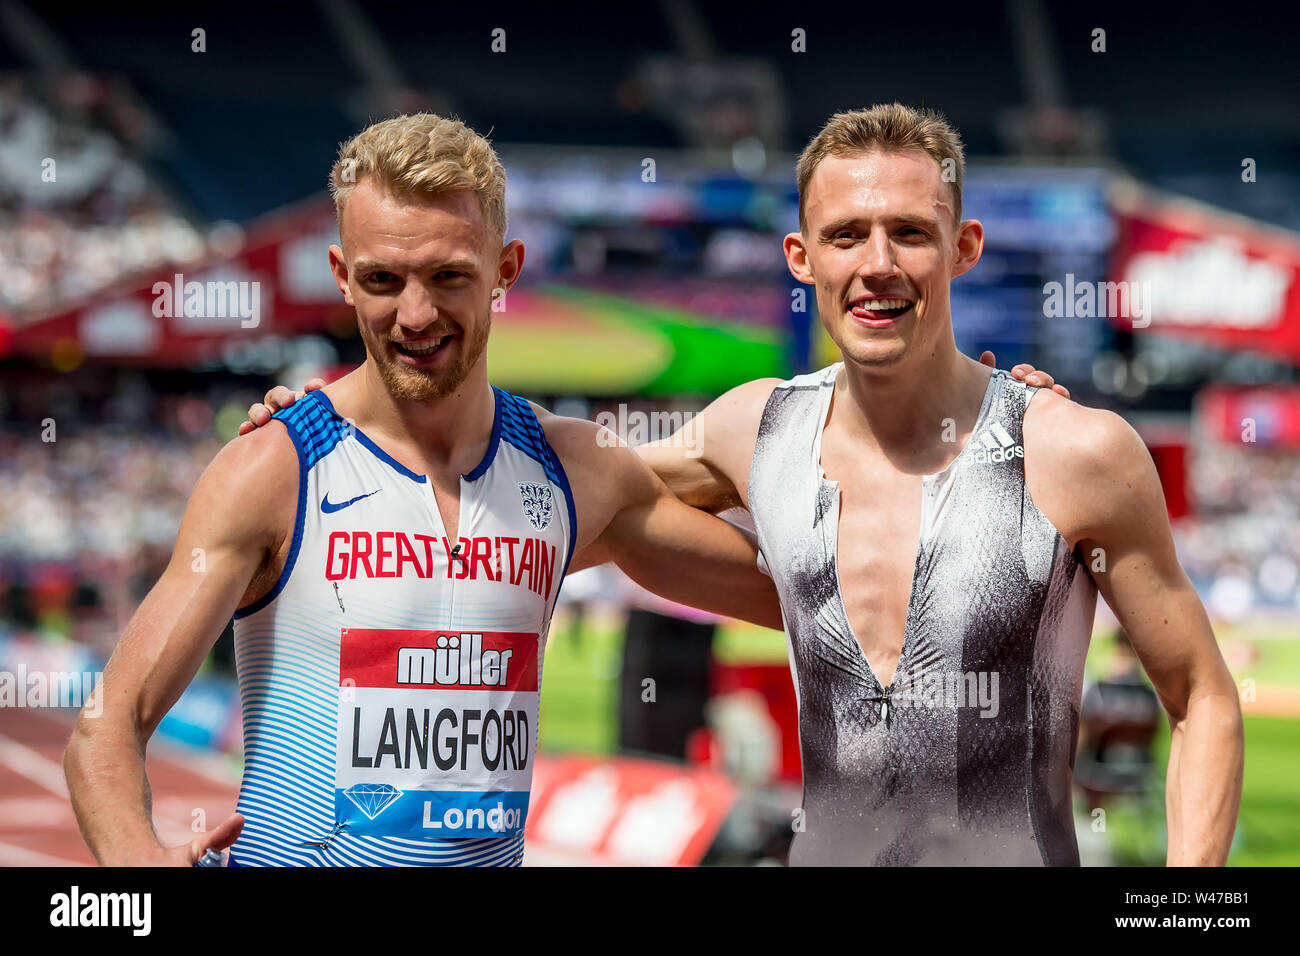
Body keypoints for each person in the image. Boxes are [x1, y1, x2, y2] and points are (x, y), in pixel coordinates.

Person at [63, 113, 787, 867]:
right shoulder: (274, 470)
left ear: (506, 270)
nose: (415, 315)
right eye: (382, 279)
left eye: (448, 276)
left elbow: (804, 602)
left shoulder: (572, 472)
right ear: (342, 275)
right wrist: (138, 863)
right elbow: (108, 726)